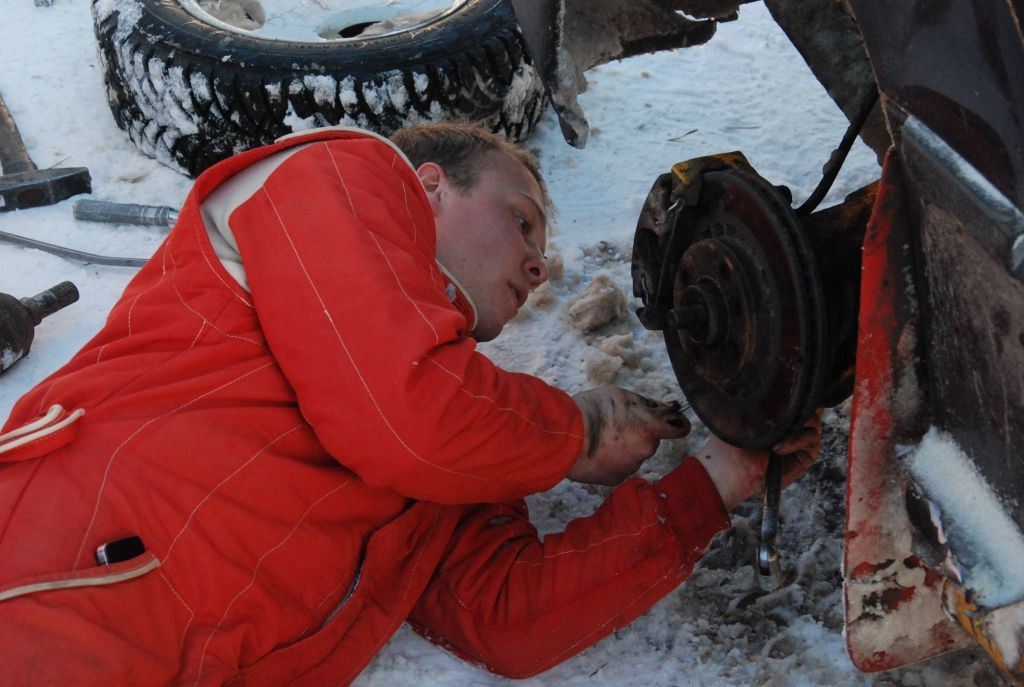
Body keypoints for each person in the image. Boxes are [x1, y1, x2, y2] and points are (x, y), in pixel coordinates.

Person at [0, 123, 821, 685]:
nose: (539, 266)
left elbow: (505, 612)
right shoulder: (336, 178)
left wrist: (717, 479)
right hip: (53, 579)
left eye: (541, 252)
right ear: (428, 186)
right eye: (523, 222)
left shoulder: (461, 424)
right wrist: (581, 429)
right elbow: (402, 414)